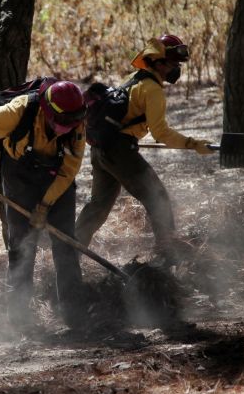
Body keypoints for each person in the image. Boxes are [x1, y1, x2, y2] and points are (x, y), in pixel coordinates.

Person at [0, 79, 91, 331]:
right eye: (61, 125)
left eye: (70, 125)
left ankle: (75, 315)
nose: (65, 130)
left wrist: (45, 205)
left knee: (67, 245)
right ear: (47, 112)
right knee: (22, 246)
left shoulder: (77, 126)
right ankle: (20, 321)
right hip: (19, 178)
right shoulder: (17, 111)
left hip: (57, 179)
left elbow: (69, 171)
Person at [75, 34, 213, 263]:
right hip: (120, 151)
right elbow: (161, 133)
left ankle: (69, 253)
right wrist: (194, 144)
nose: (176, 69)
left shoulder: (134, 79)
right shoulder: (153, 90)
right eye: (172, 63)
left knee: (98, 206)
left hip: (101, 149)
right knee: (157, 198)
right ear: (157, 61)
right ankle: (169, 258)